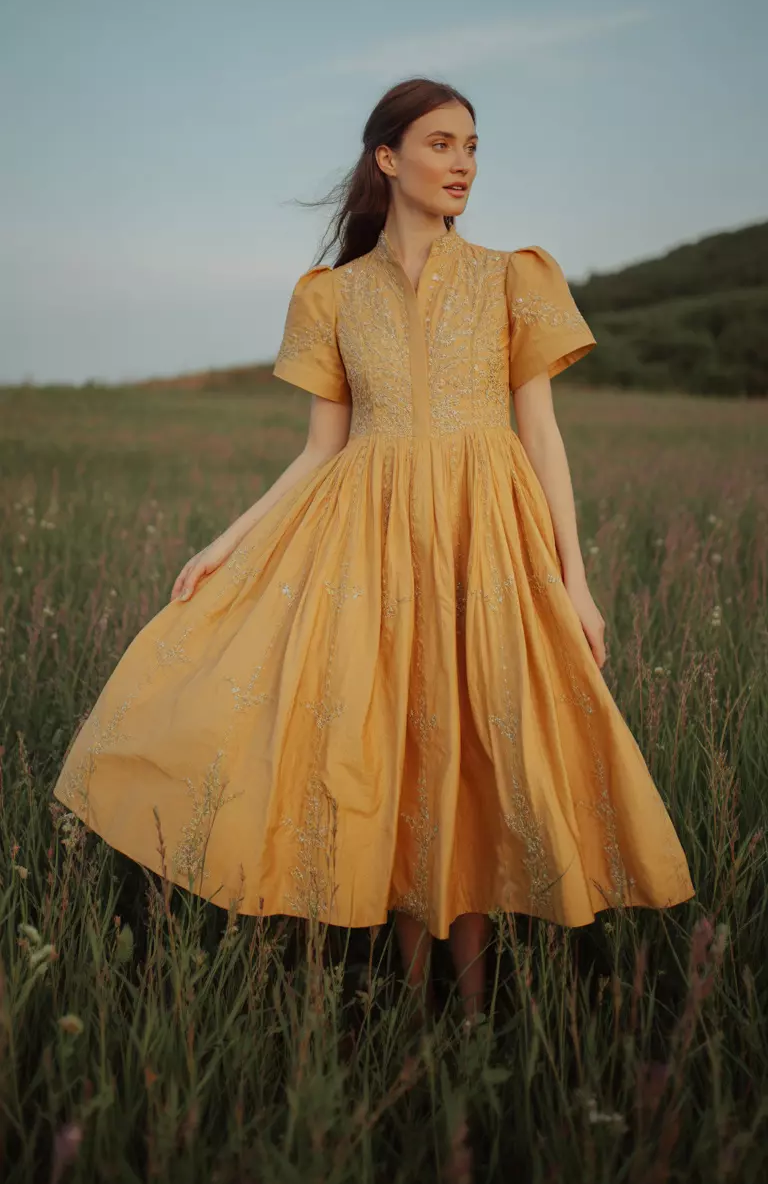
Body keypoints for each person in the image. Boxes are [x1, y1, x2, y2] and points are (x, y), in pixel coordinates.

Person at [52, 76, 695, 1029]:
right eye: (441, 144)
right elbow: (321, 450)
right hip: (368, 541)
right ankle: (406, 999)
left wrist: (578, 579)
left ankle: (472, 1016)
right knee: (393, 747)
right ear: (388, 159)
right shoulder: (332, 296)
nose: (464, 163)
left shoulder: (514, 275)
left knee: (477, 743)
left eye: (473, 146)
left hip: (488, 536)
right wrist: (225, 545)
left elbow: (544, 437)